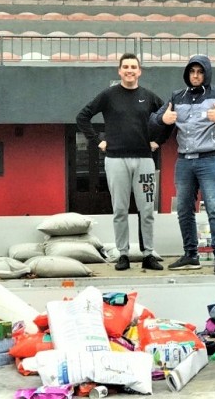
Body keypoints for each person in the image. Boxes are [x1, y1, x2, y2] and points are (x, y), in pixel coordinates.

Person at [150, 54, 215, 274]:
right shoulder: (177, 96)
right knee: (184, 210)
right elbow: (155, 119)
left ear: (206, 73)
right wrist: (161, 120)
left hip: (210, 159)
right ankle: (190, 255)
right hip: (184, 160)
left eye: (200, 72)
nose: (195, 76)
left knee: (214, 209)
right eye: (192, 72)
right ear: (187, 74)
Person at [76, 53, 168, 271]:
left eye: (133, 67)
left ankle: (148, 254)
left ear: (139, 71)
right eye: (125, 67)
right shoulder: (109, 95)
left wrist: (158, 141)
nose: (129, 70)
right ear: (119, 71)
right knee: (120, 209)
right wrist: (97, 141)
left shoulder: (149, 97)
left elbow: (168, 118)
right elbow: (83, 116)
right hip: (116, 159)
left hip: (145, 160)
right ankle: (123, 254)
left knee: (146, 210)